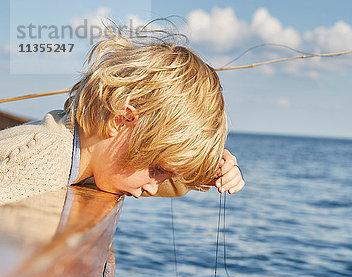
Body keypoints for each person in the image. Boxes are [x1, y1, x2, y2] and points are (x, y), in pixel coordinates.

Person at [0, 26, 244, 206]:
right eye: (157, 169)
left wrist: (203, 171)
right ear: (120, 120)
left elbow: (142, 174)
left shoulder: (85, 151)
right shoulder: (36, 163)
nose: (150, 188)